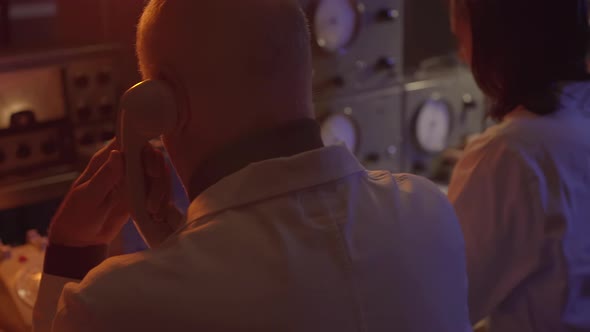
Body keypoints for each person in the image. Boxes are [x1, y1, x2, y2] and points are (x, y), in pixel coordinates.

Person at [33, 0, 472, 331]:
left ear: (162, 106)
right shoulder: (431, 214)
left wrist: (72, 250)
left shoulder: (114, 305)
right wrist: (177, 237)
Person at [448, 0, 590, 331]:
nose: (461, 56)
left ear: (497, 41)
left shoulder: (509, 155)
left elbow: (443, 304)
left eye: (462, 40)